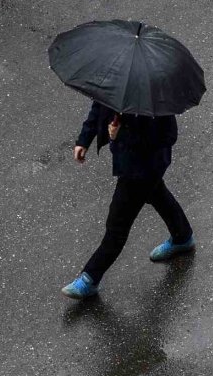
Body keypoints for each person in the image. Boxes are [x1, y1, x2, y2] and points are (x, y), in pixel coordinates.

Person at [61, 100, 195, 299]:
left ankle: (90, 278)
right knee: (158, 195)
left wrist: (119, 134)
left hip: (144, 168)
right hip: (131, 163)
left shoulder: (155, 97)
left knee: (117, 225)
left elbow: (167, 136)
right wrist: (84, 139)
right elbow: (99, 105)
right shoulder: (116, 83)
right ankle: (182, 236)